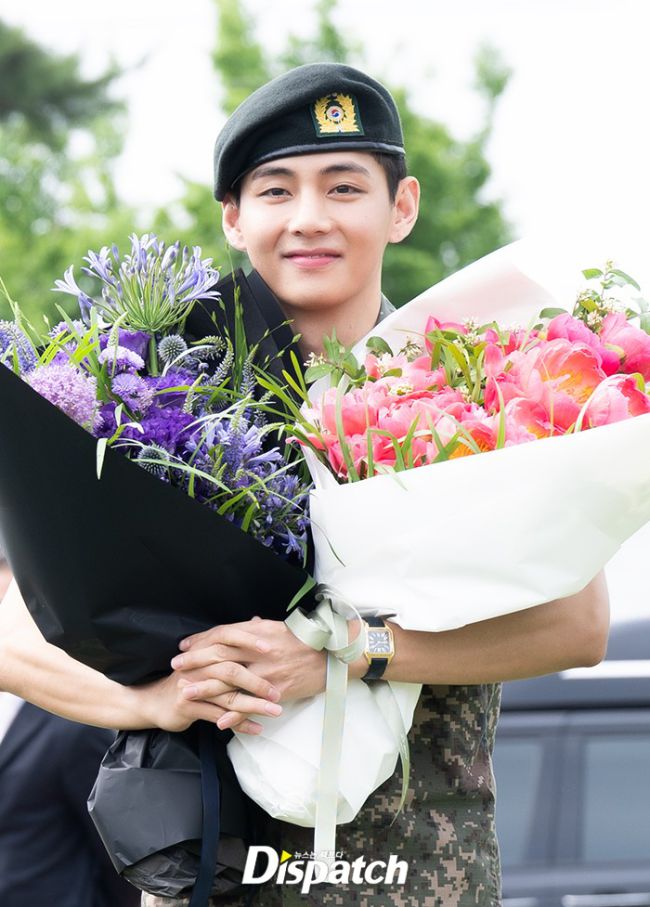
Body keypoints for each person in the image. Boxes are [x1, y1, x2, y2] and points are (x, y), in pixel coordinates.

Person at [0, 63, 609, 907]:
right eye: (276, 190)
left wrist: (351, 654)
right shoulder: (155, 394)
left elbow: (579, 625)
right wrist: (157, 699)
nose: (310, 217)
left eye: (345, 186)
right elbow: (13, 633)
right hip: (213, 877)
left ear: (402, 207)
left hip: (416, 876)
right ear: (234, 217)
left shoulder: (472, 384)